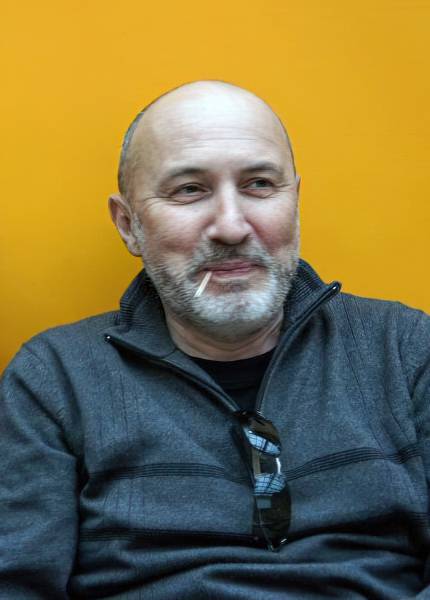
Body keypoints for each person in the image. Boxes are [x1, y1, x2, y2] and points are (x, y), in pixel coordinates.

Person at [1, 80, 429, 599]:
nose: (231, 227)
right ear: (129, 226)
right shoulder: (53, 379)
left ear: (295, 202)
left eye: (259, 185)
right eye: (189, 190)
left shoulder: (405, 349)